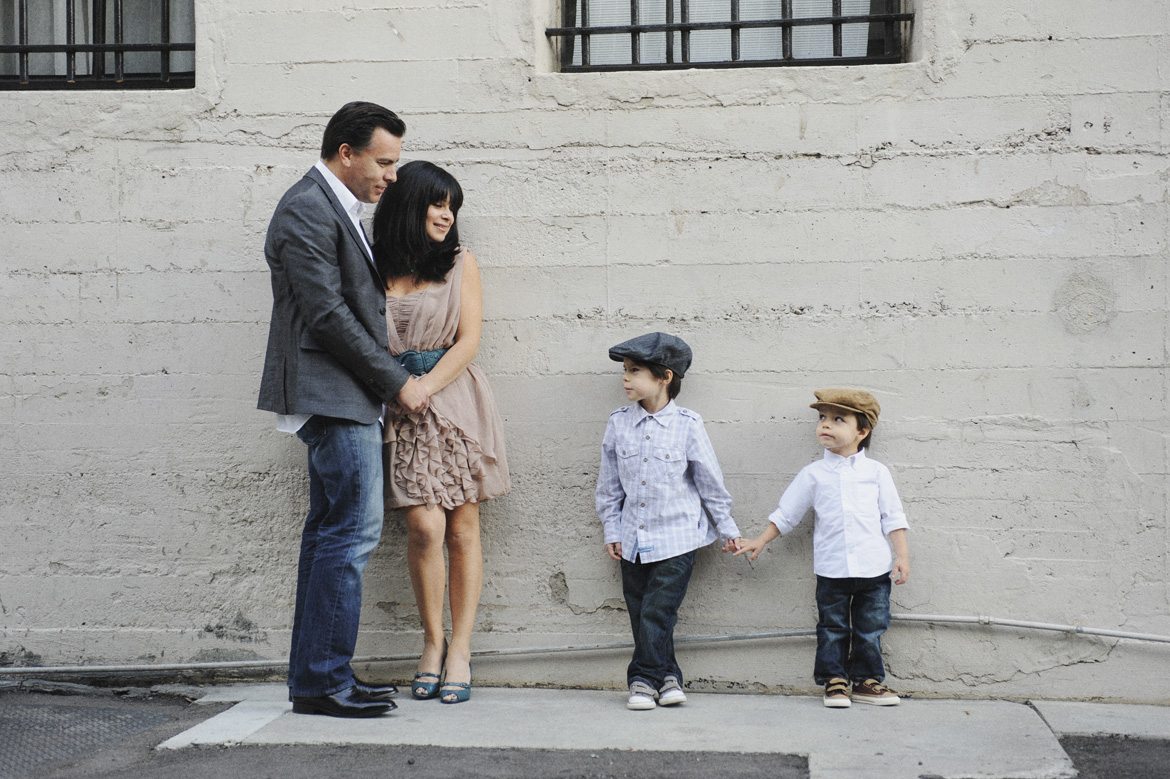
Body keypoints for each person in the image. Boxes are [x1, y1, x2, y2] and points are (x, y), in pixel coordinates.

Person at [258, 101, 430, 718]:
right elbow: (326, 314)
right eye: (384, 162)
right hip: (333, 393)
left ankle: (318, 678)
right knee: (350, 534)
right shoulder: (306, 207)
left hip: (341, 391)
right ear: (346, 152)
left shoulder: (338, 207)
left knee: (329, 536)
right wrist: (394, 382)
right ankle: (323, 682)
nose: (391, 175)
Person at [372, 160, 510, 705]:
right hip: (395, 404)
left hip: (452, 402)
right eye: (436, 203)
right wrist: (398, 388)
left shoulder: (459, 263)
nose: (446, 214)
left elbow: (469, 340)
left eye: (452, 205)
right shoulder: (374, 264)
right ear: (410, 205)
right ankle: (432, 642)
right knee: (425, 528)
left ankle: (459, 651)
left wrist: (425, 386)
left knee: (462, 528)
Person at [736, 388, 910, 708]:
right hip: (832, 569)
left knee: (870, 628)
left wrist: (902, 556)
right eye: (822, 418)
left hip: (875, 569)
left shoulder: (876, 474)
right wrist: (760, 540)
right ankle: (834, 681)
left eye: (837, 419)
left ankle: (866, 681)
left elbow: (893, 517)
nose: (825, 425)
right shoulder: (813, 475)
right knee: (832, 627)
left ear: (862, 431)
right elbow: (787, 513)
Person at [595, 332, 743, 711]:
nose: (625, 379)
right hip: (632, 539)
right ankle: (670, 677)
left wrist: (727, 528)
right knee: (641, 612)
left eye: (635, 371)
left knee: (658, 611)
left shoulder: (689, 425)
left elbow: (710, 481)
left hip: (678, 538)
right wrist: (612, 529)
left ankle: (642, 680)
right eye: (624, 371)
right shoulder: (617, 424)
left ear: (665, 376)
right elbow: (609, 486)